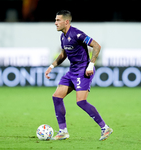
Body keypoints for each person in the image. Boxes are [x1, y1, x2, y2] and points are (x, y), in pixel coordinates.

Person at [45, 10, 113, 141]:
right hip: (72, 71)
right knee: (57, 97)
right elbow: (63, 55)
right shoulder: (63, 37)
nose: (55, 23)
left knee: (81, 102)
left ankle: (105, 128)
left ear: (67, 21)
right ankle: (63, 131)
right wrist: (51, 66)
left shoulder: (77, 34)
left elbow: (97, 46)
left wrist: (91, 64)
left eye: (58, 20)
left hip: (83, 71)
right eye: (55, 20)